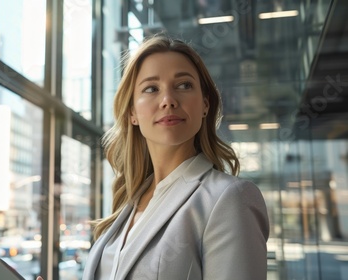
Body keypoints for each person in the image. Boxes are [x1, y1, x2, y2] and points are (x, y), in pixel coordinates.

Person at [42, 33, 269, 280]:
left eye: (184, 85)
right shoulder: (129, 205)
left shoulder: (229, 198)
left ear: (205, 104)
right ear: (132, 113)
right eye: (151, 88)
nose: (168, 101)